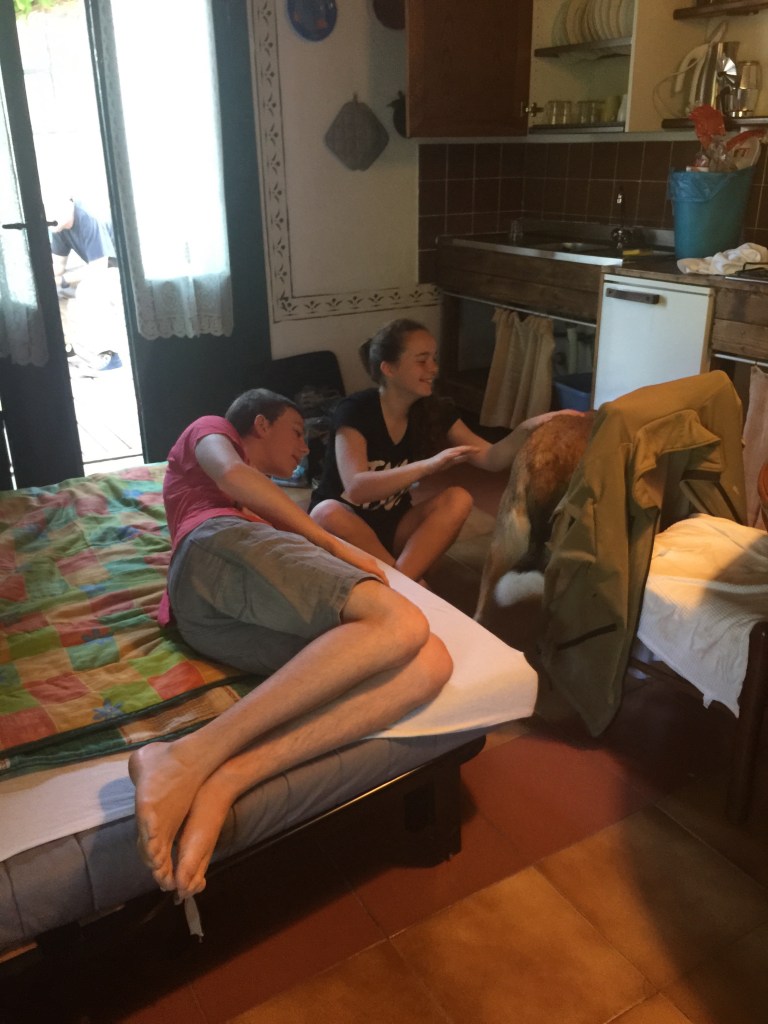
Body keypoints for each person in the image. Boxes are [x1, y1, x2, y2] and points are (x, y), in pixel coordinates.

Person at [129, 388, 453, 900]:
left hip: (211, 620)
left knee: (431, 660)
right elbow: (231, 474)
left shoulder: (264, 510)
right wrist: (332, 545)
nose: (305, 448)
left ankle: (228, 779)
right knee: (401, 621)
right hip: (210, 548)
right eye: (298, 433)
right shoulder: (212, 429)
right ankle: (186, 756)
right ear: (260, 424)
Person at [309, 318, 561, 582]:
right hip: (346, 525)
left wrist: (528, 428)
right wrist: (428, 466)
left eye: (434, 358)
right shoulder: (355, 410)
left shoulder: (432, 410)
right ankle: (409, 582)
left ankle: (401, 580)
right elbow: (357, 488)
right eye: (422, 360)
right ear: (389, 368)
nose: (434, 368)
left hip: (394, 525)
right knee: (327, 512)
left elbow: (490, 458)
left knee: (458, 499)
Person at [48, 196, 124, 371]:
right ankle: (67, 349)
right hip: (101, 267)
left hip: (121, 269)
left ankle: (109, 354)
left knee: (88, 289)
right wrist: (46, 283)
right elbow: (58, 266)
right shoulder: (58, 225)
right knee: (53, 290)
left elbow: (100, 267)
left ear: (67, 204)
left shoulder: (88, 218)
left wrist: (63, 280)